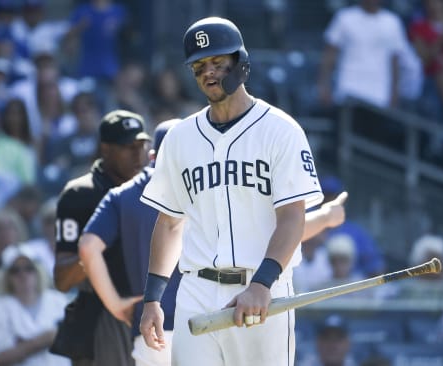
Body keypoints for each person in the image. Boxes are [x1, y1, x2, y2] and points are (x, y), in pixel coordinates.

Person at [139, 17, 324, 366]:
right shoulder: (180, 138)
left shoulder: (280, 130)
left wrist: (262, 284)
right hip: (196, 290)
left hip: (262, 289)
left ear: (240, 63)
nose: (209, 72)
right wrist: (153, 301)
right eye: (199, 65)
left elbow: (292, 218)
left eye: (218, 62)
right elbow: (168, 223)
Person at [78, 119, 180, 366]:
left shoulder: (122, 195)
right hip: (202, 324)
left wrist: (115, 304)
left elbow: (88, 246)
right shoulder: (203, 188)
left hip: (150, 331)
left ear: (152, 155)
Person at [52, 109, 150, 366]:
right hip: (102, 319)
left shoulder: (155, 188)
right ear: (105, 149)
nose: (138, 154)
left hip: (152, 311)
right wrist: (95, 249)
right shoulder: (80, 194)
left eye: (142, 145)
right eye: (128, 146)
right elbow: (62, 279)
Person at [317, 0, 408, 109]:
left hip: (380, 95)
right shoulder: (344, 17)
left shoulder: (392, 22)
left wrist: (395, 93)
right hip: (348, 91)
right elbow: (329, 55)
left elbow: (395, 62)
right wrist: (324, 86)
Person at [0, 246, 70, 366]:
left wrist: (22, 346)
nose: (23, 275)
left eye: (28, 268)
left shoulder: (58, 300)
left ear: (38, 270)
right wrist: (43, 340)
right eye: (15, 270)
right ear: (7, 276)